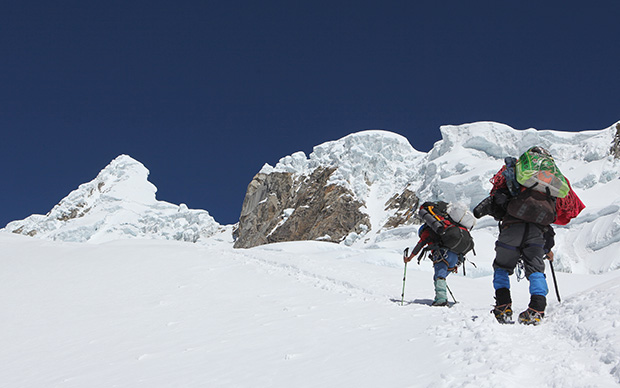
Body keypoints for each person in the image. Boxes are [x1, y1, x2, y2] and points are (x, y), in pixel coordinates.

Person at [475, 146, 585, 325]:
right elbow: (557, 214)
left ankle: (503, 307)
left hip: (512, 227)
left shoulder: (516, 173)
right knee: (536, 270)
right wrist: (547, 247)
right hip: (537, 232)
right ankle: (537, 309)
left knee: (501, 267)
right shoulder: (550, 184)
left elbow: (497, 199)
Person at [405, 201, 474, 306]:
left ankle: (441, 299)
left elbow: (420, 245)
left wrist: (409, 258)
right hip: (456, 257)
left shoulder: (428, 231)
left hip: (443, 254)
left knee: (439, 276)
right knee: (440, 277)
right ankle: (442, 294)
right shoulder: (448, 225)